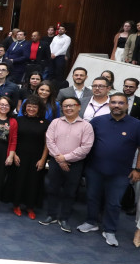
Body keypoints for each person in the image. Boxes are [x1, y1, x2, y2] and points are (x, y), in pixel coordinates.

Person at [74, 93, 140, 247]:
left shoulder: (136, 124)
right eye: (114, 102)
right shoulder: (97, 121)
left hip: (121, 172)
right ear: (109, 104)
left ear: (127, 105)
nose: (117, 105)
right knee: (92, 197)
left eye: (121, 103)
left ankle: (110, 230)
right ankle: (91, 222)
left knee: (114, 203)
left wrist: (137, 169)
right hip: (94, 169)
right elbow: (86, 141)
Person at [36, 97, 94, 233]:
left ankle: (64, 218)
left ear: (78, 107)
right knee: (52, 189)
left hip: (75, 164)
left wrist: (65, 158)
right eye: (65, 106)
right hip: (56, 162)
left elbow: (86, 147)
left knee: (70, 192)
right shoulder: (55, 122)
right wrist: (60, 159)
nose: (68, 108)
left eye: (71, 105)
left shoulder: (86, 126)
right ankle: (51, 215)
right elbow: (49, 141)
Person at [8, 95, 50, 219]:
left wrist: (43, 159)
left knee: (34, 182)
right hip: (19, 155)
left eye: (34, 107)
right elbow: (12, 139)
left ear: (39, 108)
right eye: (29, 106)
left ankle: (30, 207)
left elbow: (47, 144)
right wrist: (13, 154)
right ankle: (16, 205)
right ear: (25, 108)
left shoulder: (46, 123)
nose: (31, 109)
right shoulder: (18, 120)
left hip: (36, 157)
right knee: (18, 180)